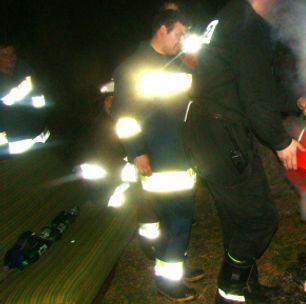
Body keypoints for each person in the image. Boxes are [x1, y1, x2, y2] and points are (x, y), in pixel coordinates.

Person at [183, 0, 306, 303]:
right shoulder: (247, 25)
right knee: (260, 219)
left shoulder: (231, 16)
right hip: (221, 131)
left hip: (208, 129)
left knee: (237, 218)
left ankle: (246, 288)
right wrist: (280, 141)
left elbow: (252, 85)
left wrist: (295, 100)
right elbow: (256, 99)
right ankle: (229, 293)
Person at [111, 10, 202, 302]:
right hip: (159, 155)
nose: (182, 41)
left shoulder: (173, 65)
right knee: (177, 217)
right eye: (179, 34)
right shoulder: (133, 68)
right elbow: (123, 117)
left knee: (179, 217)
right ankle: (168, 281)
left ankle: (174, 268)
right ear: (162, 30)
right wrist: (137, 152)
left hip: (179, 152)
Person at [0, 32, 49, 156]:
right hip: (15, 148)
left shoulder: (24, 68)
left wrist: (41, 116)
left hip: (41, 138)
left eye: (12, 54)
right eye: (4, 55)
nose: (11, 58)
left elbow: (39, 94)